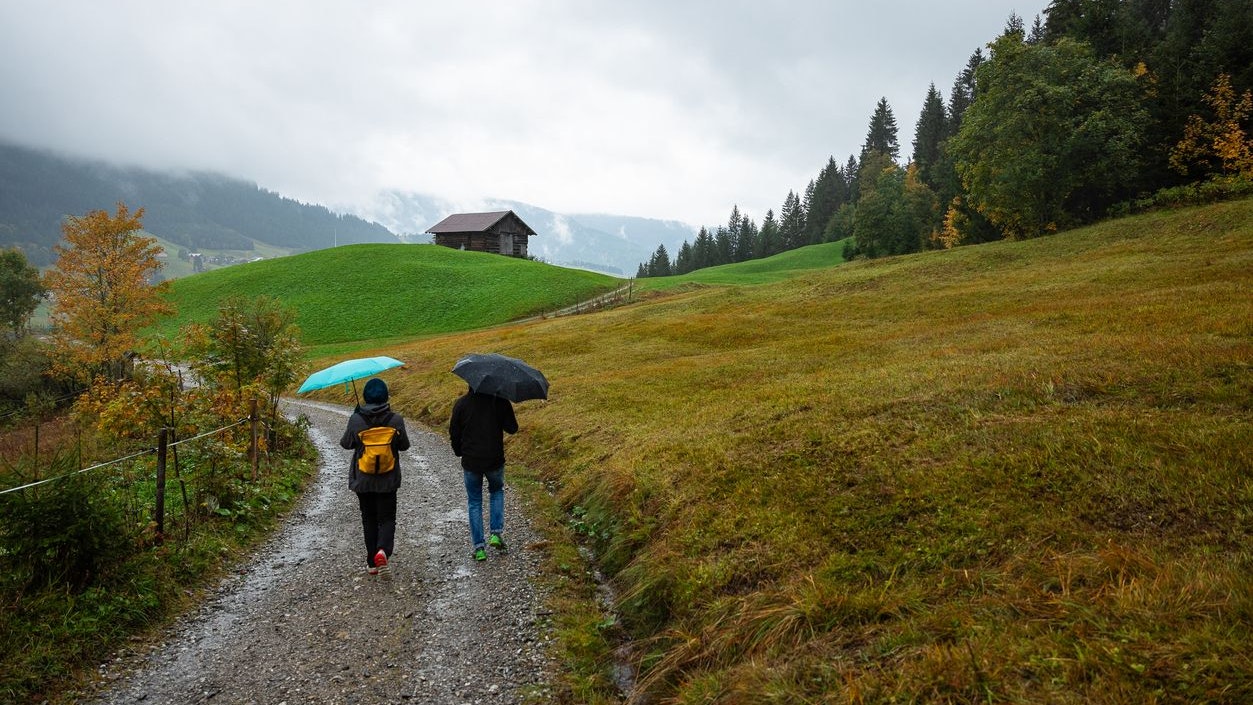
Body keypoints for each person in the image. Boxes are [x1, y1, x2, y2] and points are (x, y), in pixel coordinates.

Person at [340, 377, 410, 578]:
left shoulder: (356, 420)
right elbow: (404, 446)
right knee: (387, 518)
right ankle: (383, 551)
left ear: (365, 396)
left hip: (363, 479)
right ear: (386, 396)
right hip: (388, 479)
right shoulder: (395, 420)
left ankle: (372, 562)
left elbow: (346, 444)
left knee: (368, 518)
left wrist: (355, 419)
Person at [449, 386, 518, 561]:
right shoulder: (499, 401)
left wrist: (459, 451)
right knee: (496, 492)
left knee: (474, 501)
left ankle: (479, 548)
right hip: (494, 459)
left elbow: (454, 432)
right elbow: (512, 428)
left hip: (471, 461)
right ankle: (496, 533)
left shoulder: (461, 404)